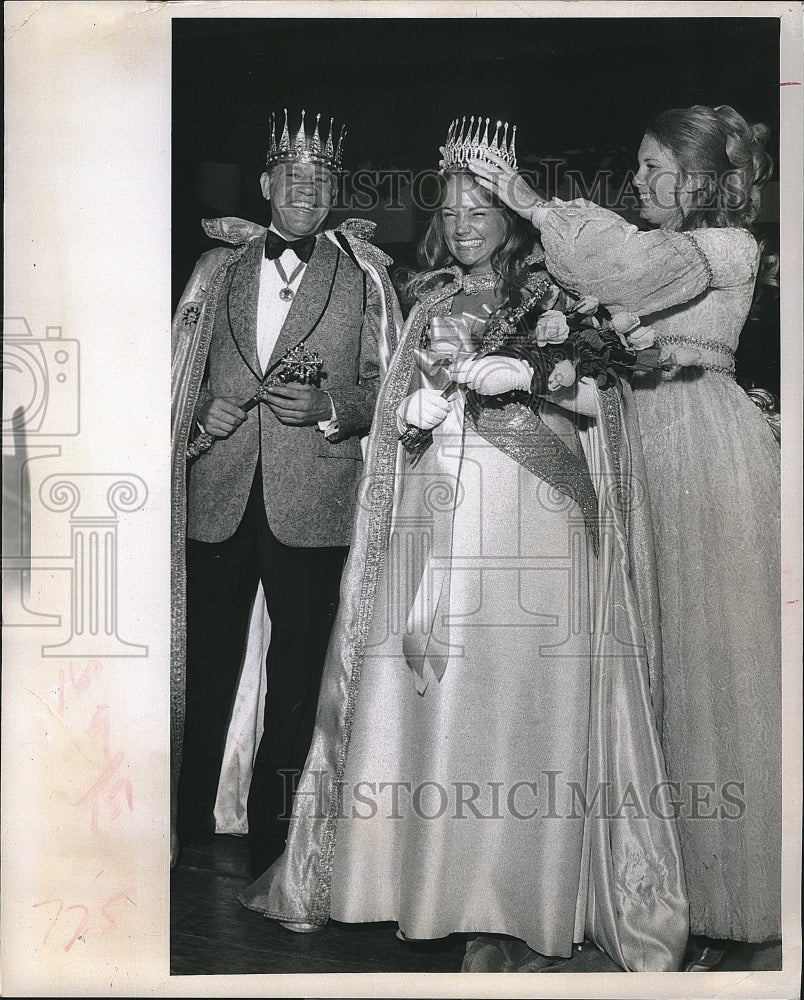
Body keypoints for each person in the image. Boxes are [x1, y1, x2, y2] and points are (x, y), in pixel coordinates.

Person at [239, 118, 690, 973]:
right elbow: (395, 416)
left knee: (513, 696)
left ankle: (511, 887)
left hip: (531, 522)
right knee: (423, 685)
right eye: (450, 205)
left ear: (511, 213)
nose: (464, 219)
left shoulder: (560, 291)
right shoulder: (430, 300)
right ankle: (414, 881)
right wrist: (412, 419)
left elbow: (611, 409)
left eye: (481, 203)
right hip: (436, 519)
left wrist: (536, 376)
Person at [467, 104, 782, 959]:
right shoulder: (682, 245)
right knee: (629, 664)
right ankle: (628, 879)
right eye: (638, 167)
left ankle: (717, 902)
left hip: (697, 444)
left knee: (701, 666)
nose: (639, 182)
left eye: (655, 169)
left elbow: (631, 269)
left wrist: (531, 201)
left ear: (705, 179)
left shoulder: (724, 247)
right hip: (631, 435)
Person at [170, 109, 401, 875]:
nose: (306, 189)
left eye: (321, 178)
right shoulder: (217, 268)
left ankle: (275, 837)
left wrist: (337, 409)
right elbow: (178, 370)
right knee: (204, 662)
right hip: (220, 491)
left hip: (316, 498)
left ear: (336, 189)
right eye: (292, 176)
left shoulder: (366, 272)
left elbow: (388, 385)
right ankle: (187, 820)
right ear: (267, 183)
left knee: (298, 674)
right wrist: (200, 410)